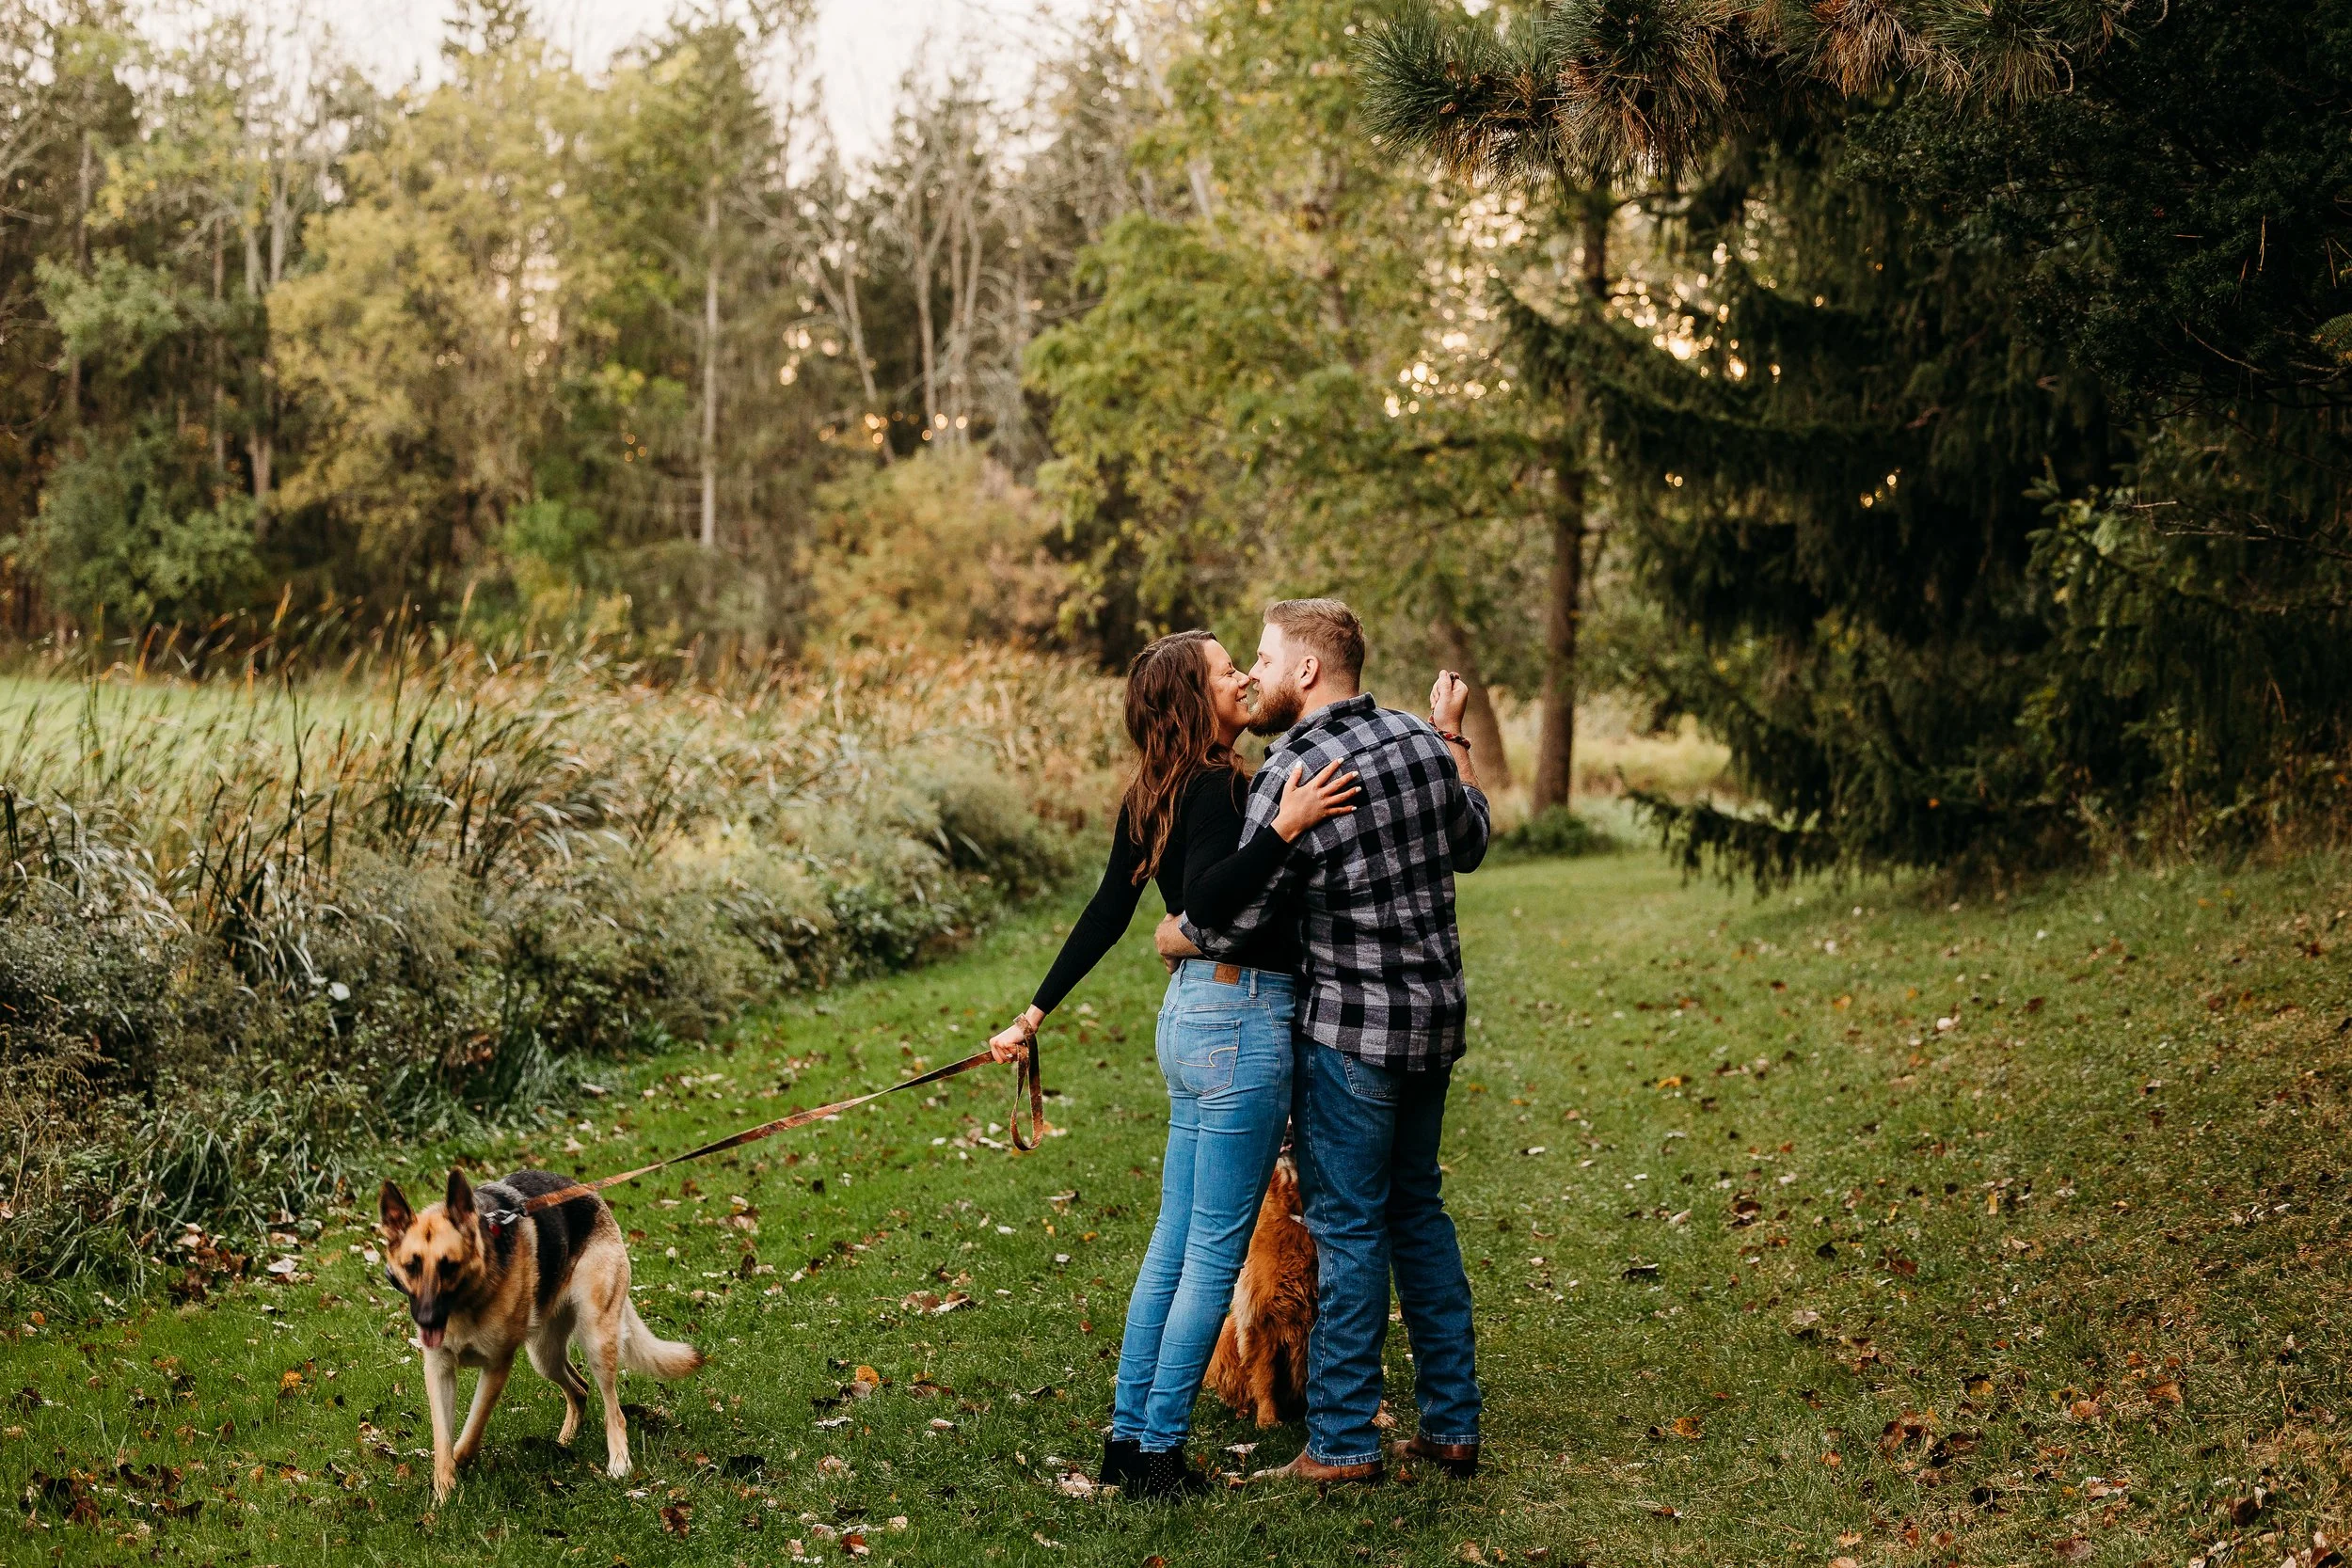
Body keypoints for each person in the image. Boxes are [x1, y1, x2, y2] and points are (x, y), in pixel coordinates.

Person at [985, 628, 1359, 1499]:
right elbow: (1207, 900)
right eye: (1224, 670)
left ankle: (1127, 1436)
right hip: (1239, 1014)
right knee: (1212, 1252)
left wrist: (1034, 1012)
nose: (1239, 677)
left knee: (1172, 1245)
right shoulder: (1225, 787)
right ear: (1195, 701)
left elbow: (1108, 913)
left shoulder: (1151, 790)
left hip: (1189, 1017)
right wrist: (1285, 827)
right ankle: (1157, 1454)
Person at [1163, 597, 1489, 1488]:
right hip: (1435, 1025)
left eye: (1265, 658)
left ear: (1307, 669)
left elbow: (1242, 920)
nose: (1257, 676)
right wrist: (1453, 738)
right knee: (1417, 1212)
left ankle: (1343, 1441)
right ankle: (1452, 1425)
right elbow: (1473, 839)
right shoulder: (1421, 742)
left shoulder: (1292, 768)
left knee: (1346, 1229)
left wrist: (1178, 934)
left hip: (1352, 1036)